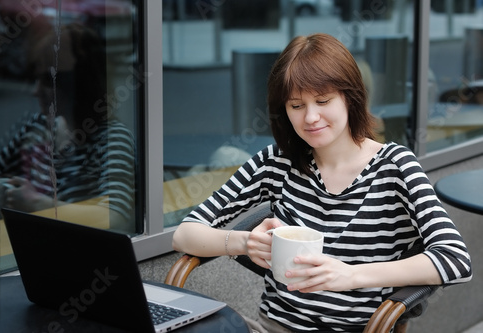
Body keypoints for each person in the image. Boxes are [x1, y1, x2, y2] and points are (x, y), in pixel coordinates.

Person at [172, 33, 472, 332]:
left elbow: (455, 259)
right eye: (296, 105)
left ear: (350, 97)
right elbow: (184, 234)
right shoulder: (278, 161)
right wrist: (243, 242)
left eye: (323, 100)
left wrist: (352, 275)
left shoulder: (395, 166)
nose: (311, 117)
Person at [0, 23, 136, 232]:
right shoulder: (36, 126)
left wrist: (37, 203)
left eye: (47, 80)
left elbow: (116, 217)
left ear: (77, 83)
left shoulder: (111, 138)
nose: (36, 91)